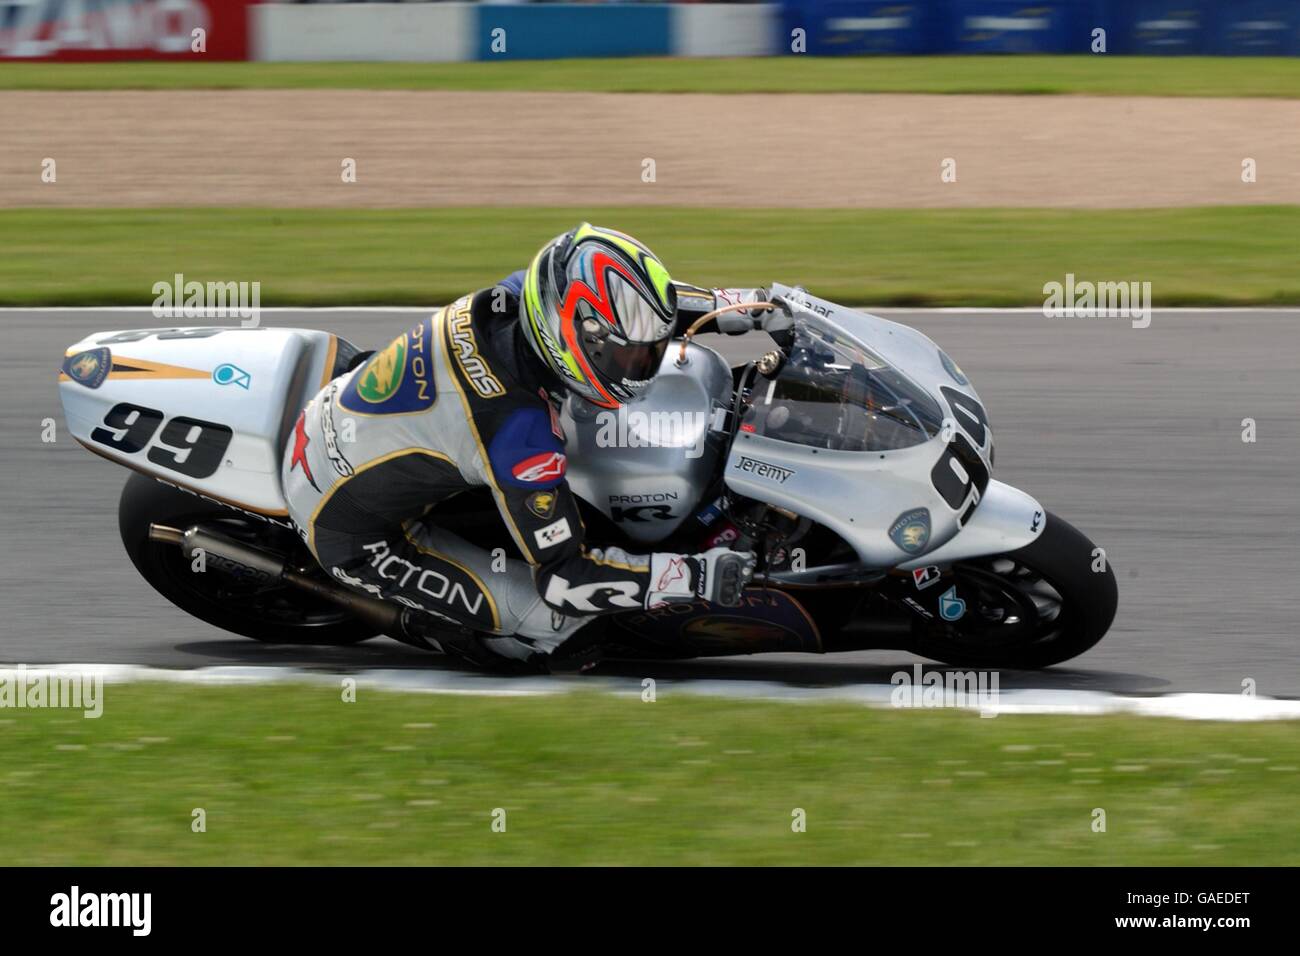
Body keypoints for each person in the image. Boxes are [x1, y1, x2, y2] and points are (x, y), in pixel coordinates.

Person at [282, 223, 773, 670]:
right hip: (347, 522)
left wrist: (747, 307)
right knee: (561, 631)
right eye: (629, 355)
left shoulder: (526, 293)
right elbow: (567, 581)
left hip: (359, 418)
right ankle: (441, 629)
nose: (642, 363)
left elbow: (638, 309)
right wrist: (694, 577)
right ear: (570, 337)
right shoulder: (520, 433)